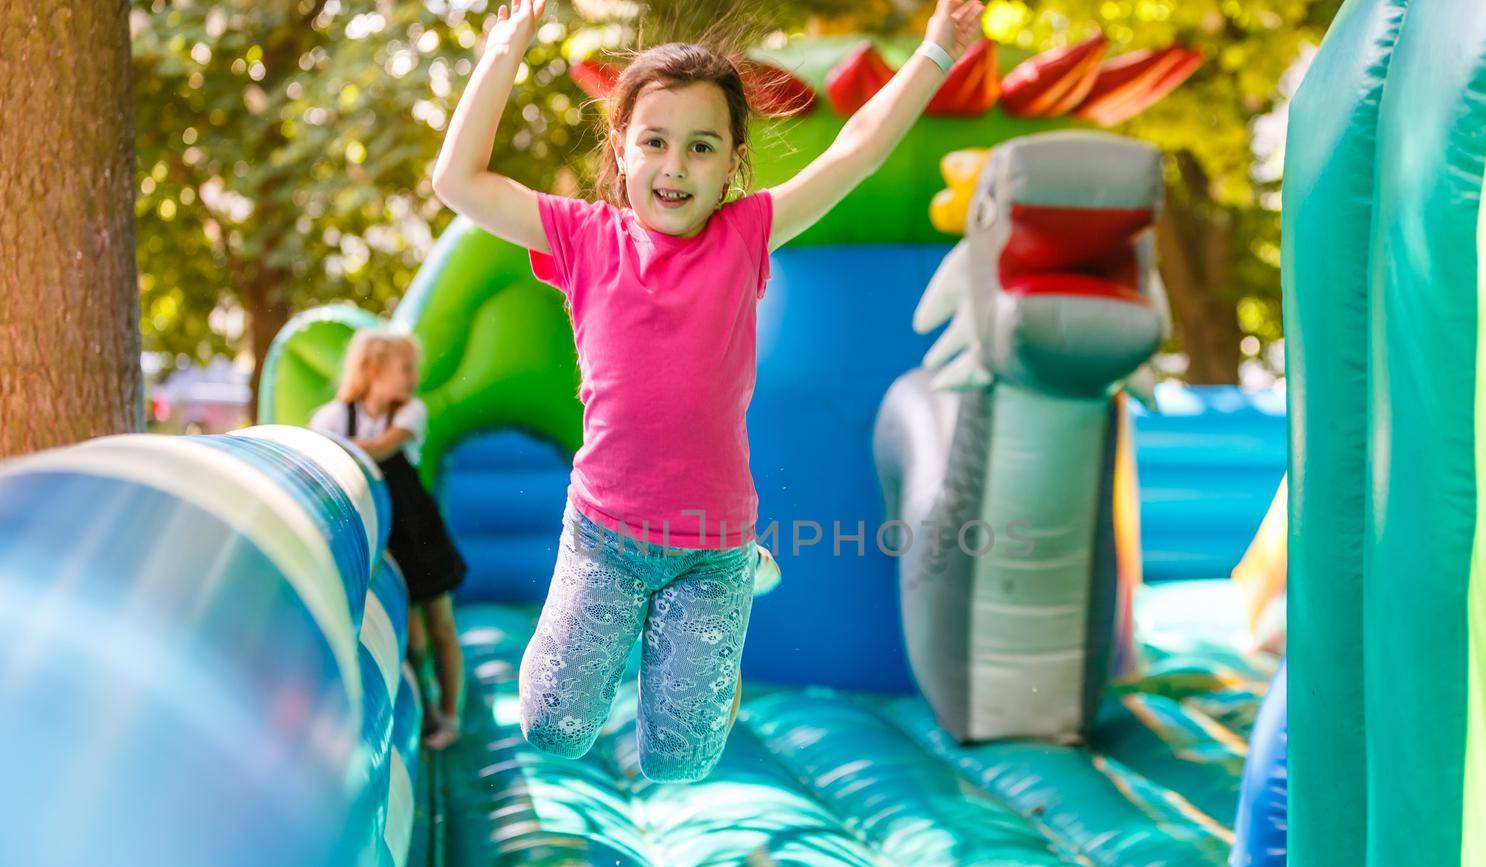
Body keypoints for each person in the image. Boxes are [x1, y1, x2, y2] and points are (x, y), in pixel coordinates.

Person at [432, 0, 984, 781]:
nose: (675, 167)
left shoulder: (745, 236)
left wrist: (934, 51)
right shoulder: (585, 238)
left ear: (731, 162)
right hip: (604, 535)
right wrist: (504, 48)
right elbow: (457, 179)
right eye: (654, 143)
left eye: (701, 148)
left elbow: (855, 152)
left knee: (680, 762)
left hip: (711, 547)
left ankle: (741, 582)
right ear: (620, 147)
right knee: (553, 726)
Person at [309, 328, 468, 750]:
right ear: (373, 370)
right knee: (412, 638)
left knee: (441, 626)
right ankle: (429, 709)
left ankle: (452, 715)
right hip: (386, 538)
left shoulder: (409, 412)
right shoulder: (331, 419)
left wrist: (342, 447)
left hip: (419, 531)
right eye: (405, 368)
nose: (414, 377)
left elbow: (380, 449)